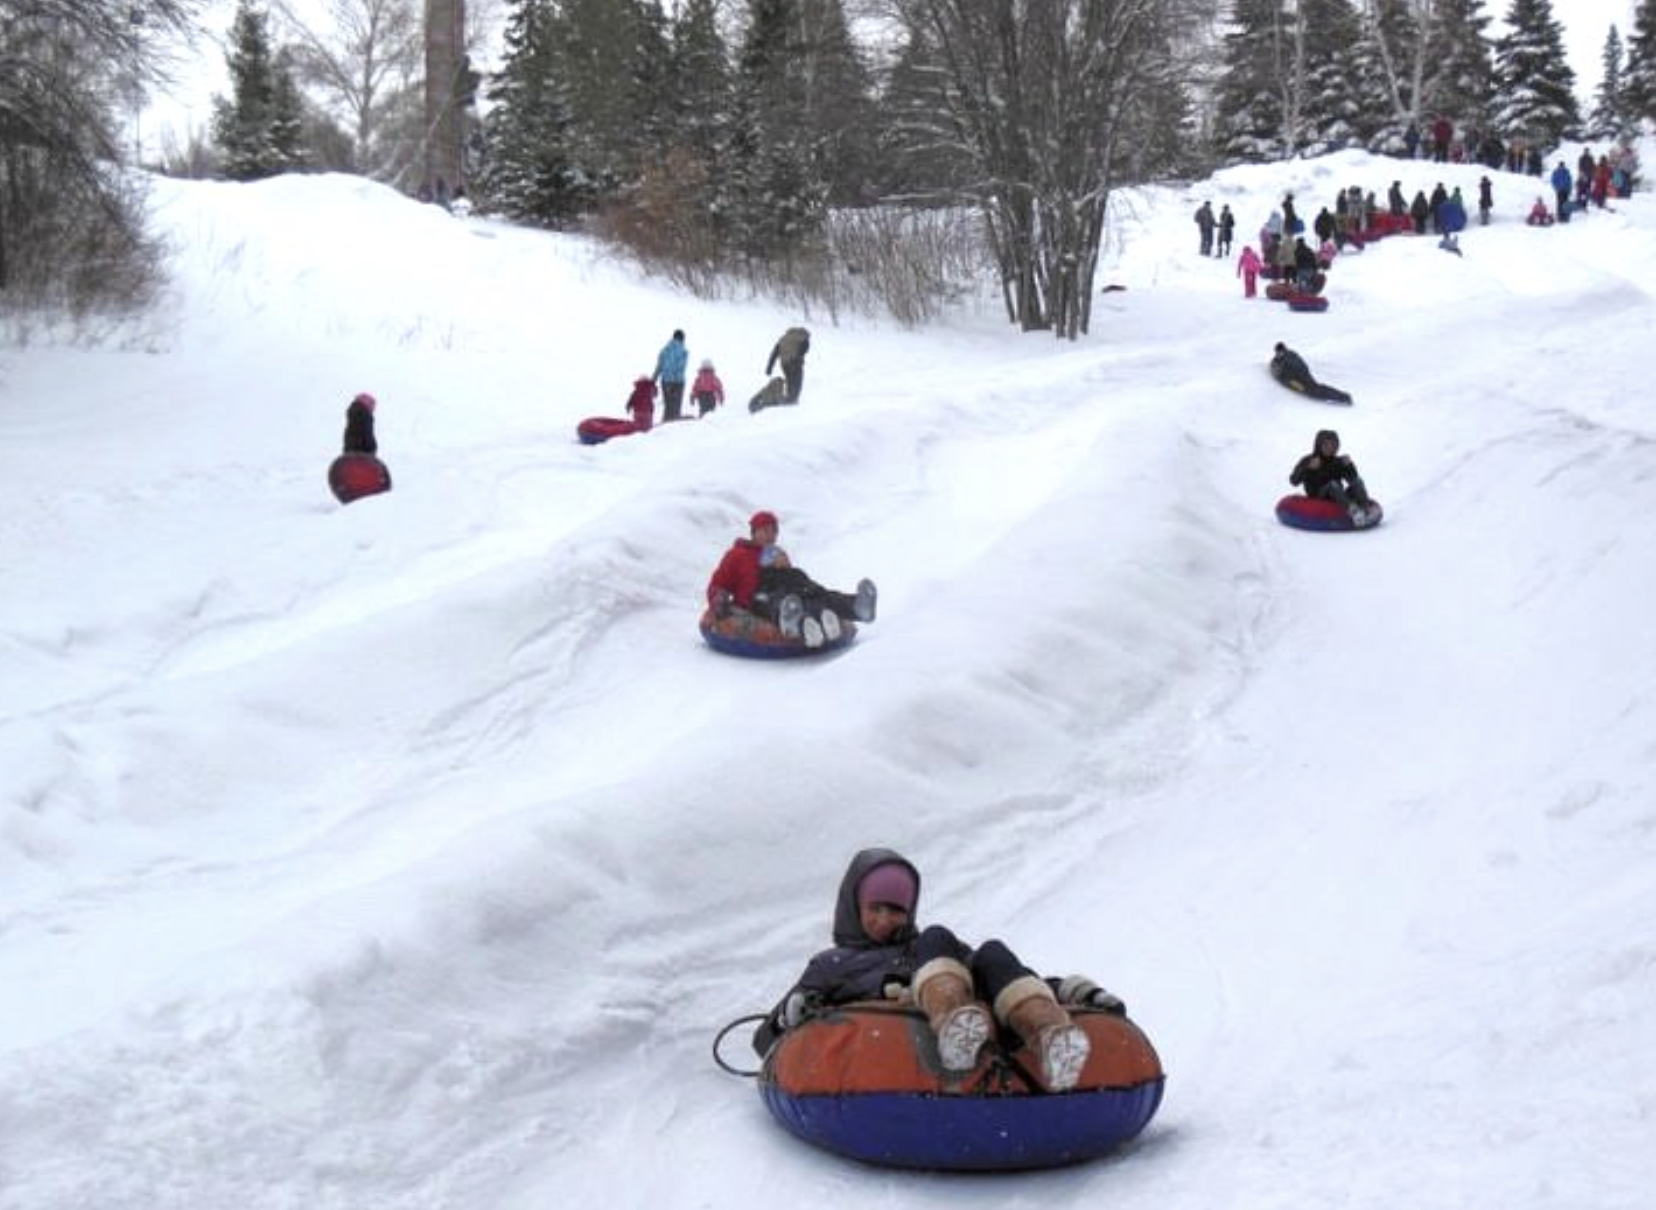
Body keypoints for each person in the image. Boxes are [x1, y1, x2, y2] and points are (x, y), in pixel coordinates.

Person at [750, 848, 1125, 1092]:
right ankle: (952, 1024)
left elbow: (992, 975)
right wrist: (794, 1010)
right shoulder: (832, 965)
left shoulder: (927, 946)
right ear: (853, 906)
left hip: (956, 999)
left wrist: (1074, 991)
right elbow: (763, 1041)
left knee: (983, 950)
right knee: (941, 947)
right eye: (875, 908)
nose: (884, 919)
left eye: (895, 910)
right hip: (900, 1037)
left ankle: (1048, 1031)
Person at [706, 510, 876, 649]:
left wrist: (785, 567)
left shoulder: (776, 552)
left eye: (774, 531)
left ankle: (855, 606)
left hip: (785, 589)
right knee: (776, 600)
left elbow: (789, 583)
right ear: (754, 533)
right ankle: (797, 622)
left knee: (812, 591)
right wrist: (718, 598)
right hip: (757, 598)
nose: (770, 535)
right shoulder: (737, 554)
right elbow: (718, 583)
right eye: (765, 530)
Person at [1289, 429, 1375, 526]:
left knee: (1358, 481)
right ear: (1319, 445)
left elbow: (1352, 479)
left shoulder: (1338, 461)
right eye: (1326, 445)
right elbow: (1293, 481)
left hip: (1340, 497)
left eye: (1333, 445)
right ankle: (1354, 513)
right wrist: (1308, 468)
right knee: (1332, 485)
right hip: (1319, 497)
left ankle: (1366, 509)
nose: (1330, 448)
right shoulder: (1308, 460)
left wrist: (1349, 465)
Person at [1270, 343, 1352, 404]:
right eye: (1278, 353)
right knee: (1315, 389)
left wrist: (1297, 383)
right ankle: (1342, 397)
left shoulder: (1289, 356)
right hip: (1297, 378)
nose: (1279, 354)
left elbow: (1297, 368)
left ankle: (1342, 397)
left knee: (1314, 390)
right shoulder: (1284, 357)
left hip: (1301, 377)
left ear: (1284, 350)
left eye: (1280, 352)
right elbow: (1277, 370)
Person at [765, 327, 810, 404]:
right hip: (795, 363)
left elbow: (774, 353)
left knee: (790, 381)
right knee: (797, 383)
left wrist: (769, 368)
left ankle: (789, 399)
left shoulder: (783, 338)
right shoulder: (803, 337)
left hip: (784, 364)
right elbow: (804, 349)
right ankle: (792, 401)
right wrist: (800, 357)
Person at [653, 329, 689, 422]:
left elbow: (659, 366)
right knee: (676, 405)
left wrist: (653, 380)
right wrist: (675, 379)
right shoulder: (683, 351)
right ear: (682, 339)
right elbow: (681, 368)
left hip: (666, 381)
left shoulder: (665, 350)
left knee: (668, 404)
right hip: (678, 382)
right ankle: (673, 425)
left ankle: (665, 421)